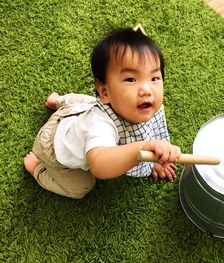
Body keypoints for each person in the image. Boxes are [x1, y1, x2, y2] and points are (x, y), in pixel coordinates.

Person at [23, 26, 181, 199]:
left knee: (90, 102)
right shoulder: (99, 125)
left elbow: (153, 129)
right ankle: (36, 168)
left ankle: (60, 101)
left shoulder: (138, 105)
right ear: (104, 91)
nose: (147, 89)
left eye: (154, 78)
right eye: (130, 79)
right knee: (80, 189)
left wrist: (153, 159)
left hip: (78, 111)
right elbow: (98, 164)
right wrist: (142, 148)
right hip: (52, 147)